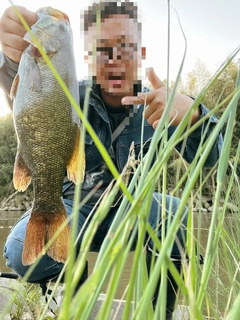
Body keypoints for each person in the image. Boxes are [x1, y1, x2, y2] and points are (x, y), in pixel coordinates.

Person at [0, 1, 223, 319]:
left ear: (140, 52)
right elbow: (22, 91)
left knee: (176, 216)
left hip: (136, 211)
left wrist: (195, 116)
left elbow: (211, 158)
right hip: (77, 210)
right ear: (89, 58)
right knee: (22, 250)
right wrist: (11, 56)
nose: (115, 59)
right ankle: (74, 300)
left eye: (125, 47)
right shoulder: (66, 91)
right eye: (104, 49)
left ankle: (161, 313)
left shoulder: (161, 103)